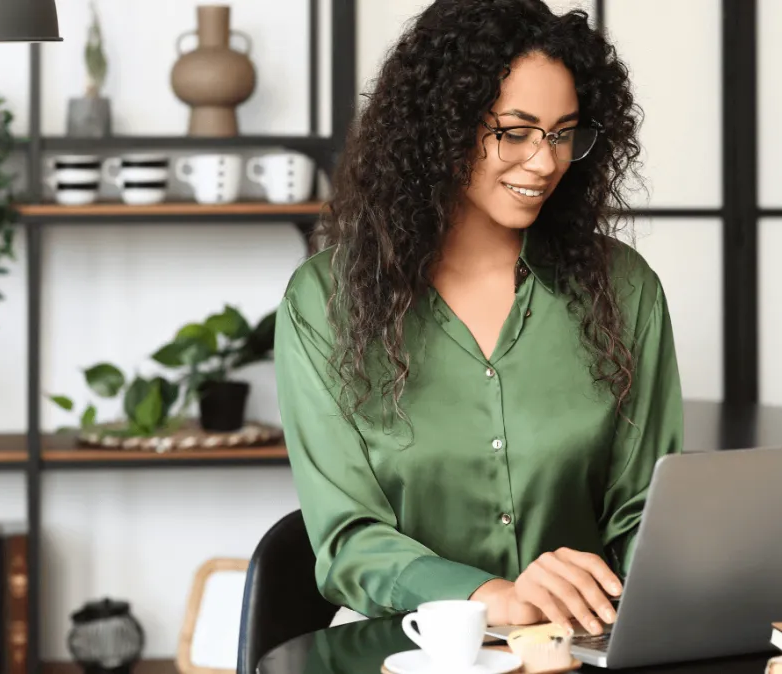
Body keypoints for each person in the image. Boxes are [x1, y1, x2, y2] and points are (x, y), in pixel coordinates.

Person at [273, 0, 683, 638]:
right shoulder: (326, 301)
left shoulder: (624, 290)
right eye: (514, 132)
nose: (545, 162)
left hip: (578, 642)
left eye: (563, 132)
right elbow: (348, 539)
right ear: (440, 126)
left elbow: (645, 514)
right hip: (409, 644)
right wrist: (491, 596)